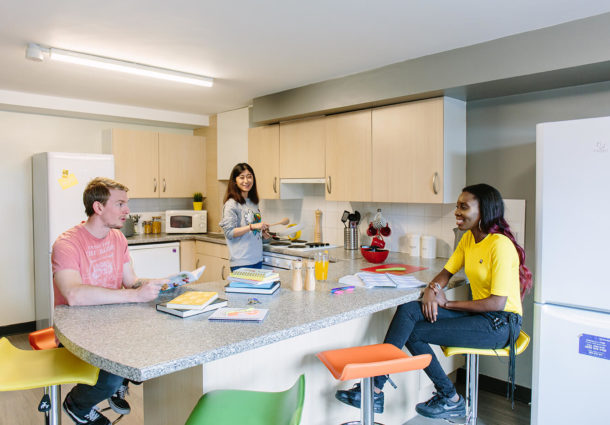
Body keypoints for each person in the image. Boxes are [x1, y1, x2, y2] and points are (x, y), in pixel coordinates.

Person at [335, 183, 532, 420]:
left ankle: (444, 396)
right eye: (457, 206)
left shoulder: (499, 245)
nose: (457, 211)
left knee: (413, 331)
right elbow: (447, 272)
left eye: (463, 207)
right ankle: (382, 391)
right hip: (480, 316)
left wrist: (447, 304)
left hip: (500, 324)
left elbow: (496, 303)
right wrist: (433, 288)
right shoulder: (469, 239)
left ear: (484, 210)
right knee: (409, 311)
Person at [52, 177, 169, 425]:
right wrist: (134, 295)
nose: (127, 210)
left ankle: (119, 383)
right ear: (98, 207)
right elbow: (73, 294)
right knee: (113, 376)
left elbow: (131, 281)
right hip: (77, 331)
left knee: (155, 346)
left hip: (113, 323)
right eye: (120, 204)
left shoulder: (118, 239)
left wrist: (161, 283)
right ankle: (77, 404)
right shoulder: (67, 244)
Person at [219, 163, 270, 271]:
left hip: (257, 259)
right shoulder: (231, 204)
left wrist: (262, 232)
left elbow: (252, 230)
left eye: (249, 176)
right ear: (235, 181)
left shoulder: (253, 203)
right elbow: (229, 233)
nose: (246, 181)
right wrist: (252, 227)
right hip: (241, 262)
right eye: (242, 177)